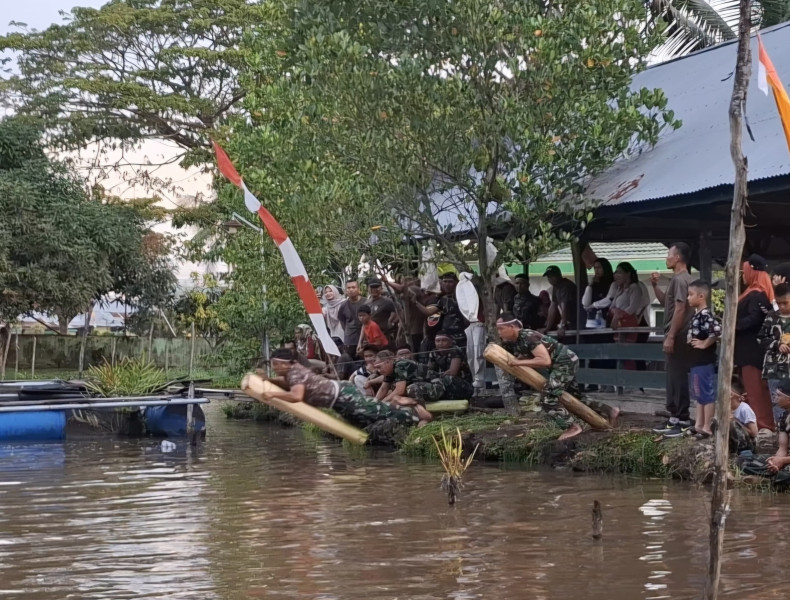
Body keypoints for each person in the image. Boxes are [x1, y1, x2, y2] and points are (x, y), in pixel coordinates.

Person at [494, 314, 619, 440]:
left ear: (511, 327)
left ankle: (572, 427)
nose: (499, 333)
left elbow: (545, 360)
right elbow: (525, 356)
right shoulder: (518, 341)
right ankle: (609, 410)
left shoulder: (528, 336)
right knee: (574, 397)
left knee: (548, 398)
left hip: (565, 363)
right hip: (562, 364)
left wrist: (518, 363)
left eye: (501, 329)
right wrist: (515, 363)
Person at [260, 348, 420, 429]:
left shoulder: (295, 372)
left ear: (285, 363)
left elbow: (296, 396)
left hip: (343, 395)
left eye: (275, 365)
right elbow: (284, 381)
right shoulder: (291, 371)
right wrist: (268, 380)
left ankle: (413, 414)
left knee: (373, 411)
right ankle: (401, 424)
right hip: (337, 399)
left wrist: (271, 394)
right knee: (361, 422)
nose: (274, 368)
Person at [651, 243, 695, 437]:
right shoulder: (676, 280)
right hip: (676, 334)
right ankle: (674, 417)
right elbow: (665, 304)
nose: (666, 258)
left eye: (669, 255)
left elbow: (680, 309)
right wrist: (654, 286)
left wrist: (670, 336)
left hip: (679, 335)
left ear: (677, 258)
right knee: (672, 376)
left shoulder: (681, 280)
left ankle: (683, 418)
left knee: (678, 376)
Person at [677, 280, 721, 439]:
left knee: (706, 393)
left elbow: (716, 330)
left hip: (703, 360)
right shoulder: (697, 314)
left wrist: (705, 343)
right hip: (695, 361)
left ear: (701, 296)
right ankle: (699, 424)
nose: (688, 298)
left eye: (691, 294)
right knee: (698, 392)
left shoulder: (706, 314)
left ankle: (707, 426)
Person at [735, 254, 775, 431]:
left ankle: (763, 425)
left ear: (752, 271)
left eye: (745, 271)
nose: (743, 275)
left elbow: (755, 319)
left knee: (756, 390)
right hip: (747, 350)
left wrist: (732, 326)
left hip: (752, 351)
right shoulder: (755, 292)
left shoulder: (757, 294)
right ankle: (754, 424)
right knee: (751, 389)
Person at [375, 350, 473, 418]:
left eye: (379, 367)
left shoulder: (400, 365)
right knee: (394, 393)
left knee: (411, 389)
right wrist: (373, 403)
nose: (378, 371)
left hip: (442, 386)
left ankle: (420, 412)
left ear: (388, 362)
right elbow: (384, 388)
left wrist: (381, 403)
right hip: (432, 386)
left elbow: (399, 390)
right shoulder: (390, 371)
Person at [737, 379, 790, 489]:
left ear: (788, 399)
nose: (775, 398)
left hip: (787, 461)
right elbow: (782, 448)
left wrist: (783, 461)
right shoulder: (785, 417)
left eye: (779, 395)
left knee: (783, 476)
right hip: (786, 459)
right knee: (743, 460)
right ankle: (772, 476)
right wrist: (775, 462)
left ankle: (773, 479)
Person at [758, 282, 790, 423]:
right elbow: (761, 338)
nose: (782, 306)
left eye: (786, 303)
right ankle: (781, 437)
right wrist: (777, 345)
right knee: (777, 403)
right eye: (779, 303)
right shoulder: (772, 316)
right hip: (774, 368)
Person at [414, 272, 469, 348]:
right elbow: (428, 311)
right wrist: (415, 302)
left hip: (461, 335)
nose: (447, 284)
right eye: (445, 281)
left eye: (450, 282)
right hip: (447, 337)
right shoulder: (443, 299)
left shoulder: (462, 297)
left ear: (456, 283)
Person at [543, 265, 579, 336]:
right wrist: (547, 328)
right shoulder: (555, 287)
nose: (550, 279)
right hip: (568, 321)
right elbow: (552, 307)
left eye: (552, 276)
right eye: (548, 277)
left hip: (577, 321)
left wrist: (562, 326)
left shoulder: (566, 286)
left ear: (559, 275)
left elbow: (564, 307)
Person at [338, 280, 367, 358]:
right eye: (348, 288)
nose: (351, 290)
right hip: (350, 340)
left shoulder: (366, 302)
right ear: (345, 290)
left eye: (353, 287)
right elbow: (342, 321)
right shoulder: (343, 306)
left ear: (358, 289)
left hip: (365, 338)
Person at [582, 258, 615, 323]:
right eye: (595, 268)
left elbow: (608, 300)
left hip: (607, 318)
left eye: (599, 268)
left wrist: (593, 305)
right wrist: (590, 286)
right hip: (593, 319)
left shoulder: (613, 283)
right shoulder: (594, 284)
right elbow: (585, 303)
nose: (596, 270)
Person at [730, 379, 757, 455]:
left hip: (747, 444)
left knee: (733, 423)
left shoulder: (744, 409)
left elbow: (754, 433)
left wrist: (736, 421)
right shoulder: (726, 409)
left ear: (732, 395)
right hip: (734, 443)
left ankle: (745, 453)